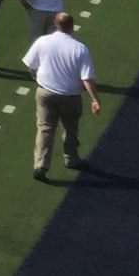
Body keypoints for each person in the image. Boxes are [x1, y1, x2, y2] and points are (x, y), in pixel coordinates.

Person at [22, 12, 99, 180]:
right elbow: (87, 78)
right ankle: (71, 159)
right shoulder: (79, 48)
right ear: (71, 26)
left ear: (55, 24)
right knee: (70, 129)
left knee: (45, 129)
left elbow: (30, 64)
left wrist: (37, 79)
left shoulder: (42, 42)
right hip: (70, 96)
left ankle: (40, 165)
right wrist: (95, 99)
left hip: (45, 92)